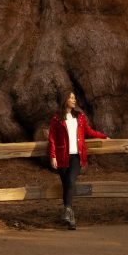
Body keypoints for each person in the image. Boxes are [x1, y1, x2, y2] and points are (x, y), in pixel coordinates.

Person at [47, 87, 106, 229]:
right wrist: (53, 156)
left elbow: (89, 131)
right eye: (72, 98)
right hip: (61, 157)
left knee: (70, 181)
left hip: (76, 156)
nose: (74, 100)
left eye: (74, 98)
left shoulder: (79, 117)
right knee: (66, 186)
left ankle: (67, 211)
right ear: (65, 100)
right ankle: (70, 220)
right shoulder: (56, 118)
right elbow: (52, 139)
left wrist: (103, 136)